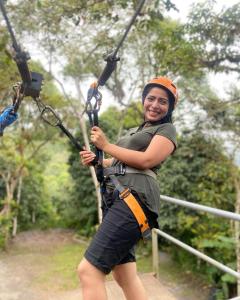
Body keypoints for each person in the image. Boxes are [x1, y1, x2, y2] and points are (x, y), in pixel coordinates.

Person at [78, 76, 178, 300]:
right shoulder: (136, 130)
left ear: (170, 107)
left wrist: (106, 145)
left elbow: (146, 161)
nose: (155, 104)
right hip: (119, 196)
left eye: (163, 101)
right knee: (124, 275)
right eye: (151, 98)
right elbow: (117, 162)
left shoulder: (167, 129)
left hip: (135, 198)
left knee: (88, 271)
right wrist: (97, 159)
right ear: (144, 100)